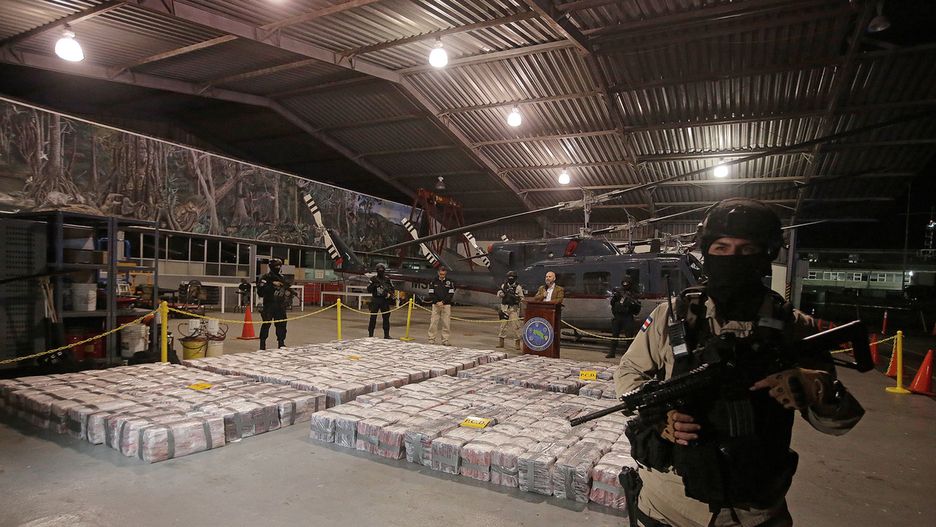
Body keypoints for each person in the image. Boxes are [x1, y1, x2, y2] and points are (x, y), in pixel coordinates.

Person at [614, 198, 864, 527]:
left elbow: (839, 422)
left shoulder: (793, 327)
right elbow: (629, 372)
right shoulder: (673, 316)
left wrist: (814, 387)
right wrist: (659, 414)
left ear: (767, 255)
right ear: (707, 252)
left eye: (747, 250)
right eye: (722, 248)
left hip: (754, 512)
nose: (733, 258)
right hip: (668, 504)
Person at [257, 258, 290, 350]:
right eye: (276, 266)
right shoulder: (266, 277)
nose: (278, 268)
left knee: (281, 324)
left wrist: (287, 293)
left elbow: (286, 289)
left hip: (280, 305)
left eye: (279, 266)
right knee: (266, 324)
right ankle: (262, 344)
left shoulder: (282, 278)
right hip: (269, 304)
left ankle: (281, 343)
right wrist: (272, 285)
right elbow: (260, 292)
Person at [607, 275, 641, 358]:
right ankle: (612, 352)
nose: (625, 285)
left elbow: (637, 308)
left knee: (629, 336)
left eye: (627, 283)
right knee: (615, 335)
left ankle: (628, 354)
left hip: (627, 316)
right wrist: (615, 298)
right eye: (624, 283)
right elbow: (612, 303)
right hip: (618, 316)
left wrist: (631, 303)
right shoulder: (619, 292)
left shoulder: (634, 293)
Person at [427, 266, 455, 345]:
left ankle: (445, 340)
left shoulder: (449, 282)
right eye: (441, 274)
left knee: (446, 323)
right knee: (433, 322)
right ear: (438, 273)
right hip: (436, 305)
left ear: (445, 273)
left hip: (446, 305)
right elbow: (431, 293)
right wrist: (437, 302)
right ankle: (431, 339)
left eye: (443, 274)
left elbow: (451, 294)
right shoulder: (433, 281)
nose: (442, 276)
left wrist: (443, 302)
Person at [497, 270, 524, 349]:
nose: (510, 279)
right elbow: (499, 293)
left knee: (516, 326)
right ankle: (501, 342)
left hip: (513, 308)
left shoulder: (518, 287)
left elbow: (522, 298)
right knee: (503, 326)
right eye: (509, 277)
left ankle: (517, 343)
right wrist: (501, 294)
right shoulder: (504, 286)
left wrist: (517, 299)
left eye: (512, 277)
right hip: (504, 307)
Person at [367, 263, 395, 339]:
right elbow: (368, 289)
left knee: (386, 318)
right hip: (375, 299)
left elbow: (392, 289)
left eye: (382, 270)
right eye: (379, 270)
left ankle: (386, 335)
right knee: (373, 318)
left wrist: (389, 293)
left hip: (384, 300)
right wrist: (374, 285)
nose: (381, 272)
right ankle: (370, 335)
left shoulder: (387, 279)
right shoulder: (373, 279)